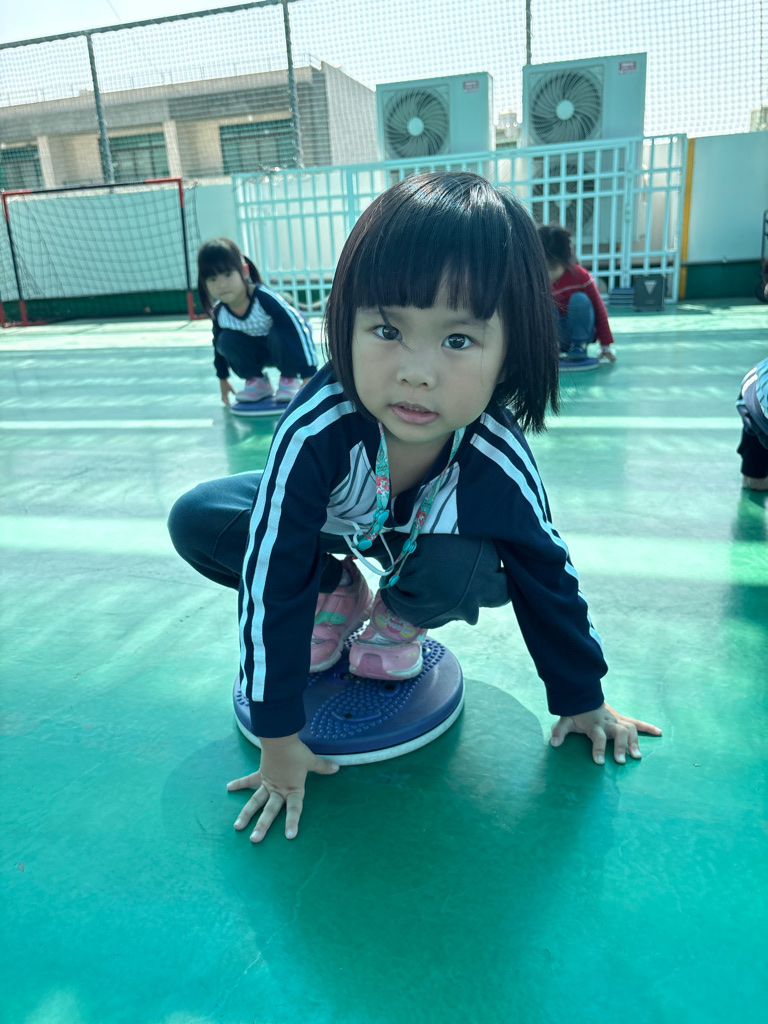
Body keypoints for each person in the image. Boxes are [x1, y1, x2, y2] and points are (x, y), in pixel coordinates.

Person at [169, 173, 661, 844]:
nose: (417, 371)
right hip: (332, 526)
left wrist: (583, 698)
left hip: (425, 547)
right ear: (344, 325)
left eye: (458, 340)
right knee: (200, 516)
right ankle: (334, 590)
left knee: (481, 561)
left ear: (509, 352)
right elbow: (269, 569)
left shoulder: (494, 454)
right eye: (387, 329)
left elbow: (546, 571)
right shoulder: (316, 427)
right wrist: (278, 736)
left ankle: (397, 618)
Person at [197, 238, 317, 406]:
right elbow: (219, 348)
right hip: (256, 352)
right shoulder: (220, 313)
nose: (222, 284)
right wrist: (222, 379)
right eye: (212, 279)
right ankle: (257, 382)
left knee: (280, 331)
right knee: (225, 339)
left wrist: (309, 375)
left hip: (284, 348)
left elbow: (298, 329)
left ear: (244, 271)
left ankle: (289, 379)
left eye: (228, 274)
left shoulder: (263, 298)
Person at [537, 224, 616, 364]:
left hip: (581, 333)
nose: (548, 274)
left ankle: (579, 346)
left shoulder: (581, 276)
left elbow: (599, 310)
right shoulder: (537, 280)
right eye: (544, 268)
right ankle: (551, 346)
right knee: (543, 304)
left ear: (564, 262)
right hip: (556, 336)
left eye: (552, 268)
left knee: (580, 299)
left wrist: (606, 345)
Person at [736, 357, 768, 491]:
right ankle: (755, 478)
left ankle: (754, 478)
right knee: (756, 479)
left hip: (758, 381)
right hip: (756, 388)